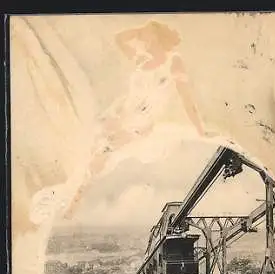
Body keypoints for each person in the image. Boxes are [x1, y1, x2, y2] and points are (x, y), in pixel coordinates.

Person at [64, 20, 219, 219]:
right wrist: (141, 30)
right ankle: (74, 196)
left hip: (141, 120)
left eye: (144, 36)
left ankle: (75, 201)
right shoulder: (141, 61)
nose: (140, 39)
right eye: (141, 36)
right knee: (90, 144)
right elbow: (119, 39)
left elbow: (186, 99)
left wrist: (200, 129)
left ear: (155, 37)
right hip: (123, 113)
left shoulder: (173, 61)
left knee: (101, 152)